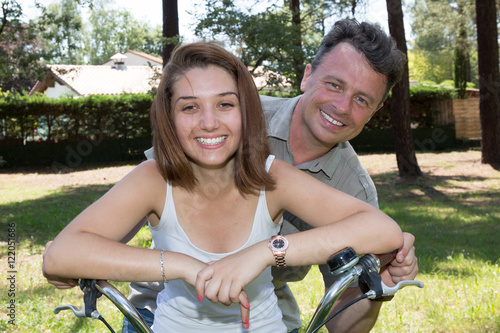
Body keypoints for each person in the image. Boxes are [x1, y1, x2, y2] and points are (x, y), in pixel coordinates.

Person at [43, 41, 404, 332]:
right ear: (169, 116)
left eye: (225, 105)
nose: (210, 122)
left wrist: (265, 251)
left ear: (246, 111)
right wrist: (187, 266)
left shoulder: (273, 176)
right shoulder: (154, 177)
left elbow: (382, 230)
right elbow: (61, 255)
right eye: (189, 108)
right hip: (160, 317)